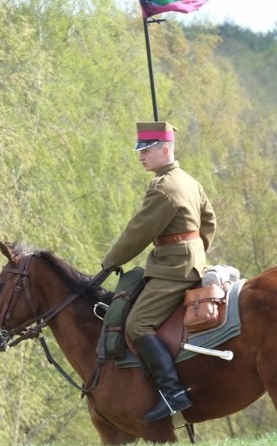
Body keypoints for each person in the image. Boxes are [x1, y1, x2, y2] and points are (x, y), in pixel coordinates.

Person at [101, 121, 217, 423]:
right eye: (140, 150)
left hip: (173, 268)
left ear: (166, 150)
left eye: (148, 150)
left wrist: (109, 263)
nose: (141, 156)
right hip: (190, 261)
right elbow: (209, 223)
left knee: (137, 324)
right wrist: (198, 253)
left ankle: (172, 392)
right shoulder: (190, 182)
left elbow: (137, 233)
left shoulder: (162, 189)